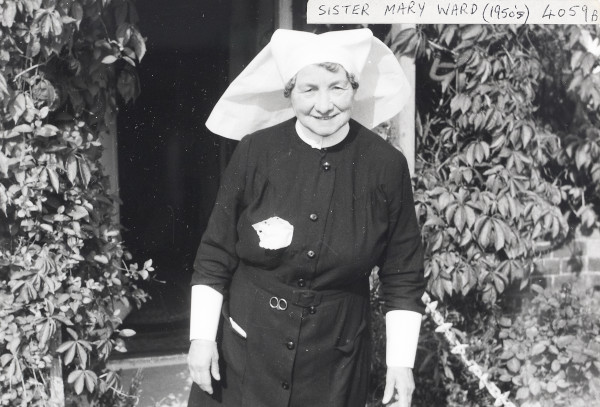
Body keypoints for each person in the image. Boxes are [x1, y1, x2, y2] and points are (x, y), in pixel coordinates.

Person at [187, 28, 425, 407]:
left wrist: (401, 363)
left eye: (337, 87)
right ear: (289, 92)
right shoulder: (255, 153)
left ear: (355, 88)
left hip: (334, 359)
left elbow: (403, 272)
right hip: (248, 351)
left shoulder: (385, 166)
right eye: (309, 89)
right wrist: (201, 338)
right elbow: (216, 252)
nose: (324, 104)